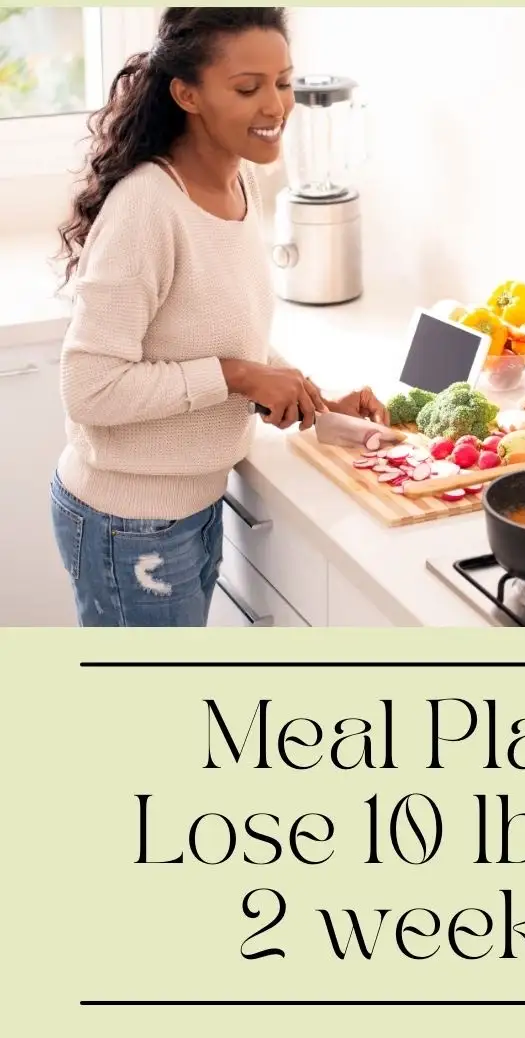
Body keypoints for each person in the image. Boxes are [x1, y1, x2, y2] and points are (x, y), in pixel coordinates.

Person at [50, 7, 386, 628]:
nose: (276, 106)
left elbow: (220, 331)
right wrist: (237, 377)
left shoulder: (241, 186)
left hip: (191, 505)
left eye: (283, 82)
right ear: (187, 94)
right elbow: (89, 389)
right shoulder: (149, 208)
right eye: (247, 88)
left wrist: (314, 396)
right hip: (130, 523)